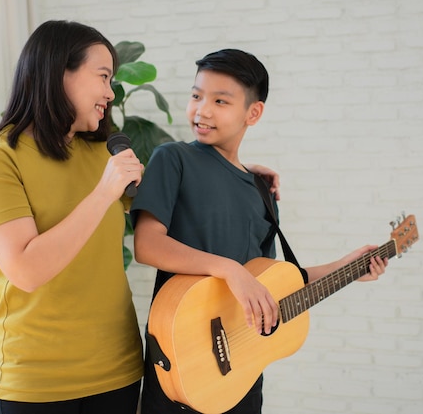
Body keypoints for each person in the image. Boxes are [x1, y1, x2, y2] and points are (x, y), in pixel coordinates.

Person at [130, 48, 389, 414]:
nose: (202, 110)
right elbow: (147, 244)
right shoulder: (173, 159)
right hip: (181, 357)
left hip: (242, 373)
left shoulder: (262, 190)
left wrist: (346, 266)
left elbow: (267, 284)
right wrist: (228, 269)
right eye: (196, 96)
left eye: (220, 101)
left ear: (253, 113)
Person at [0, 20, 145, 414]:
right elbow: (26, 270)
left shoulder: (104, 154)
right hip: (37, 384)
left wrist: (239, 173)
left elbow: (171, 215)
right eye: (103, 77)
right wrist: (103, 193)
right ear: (58, 71)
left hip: (120, 371)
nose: (110, 94)